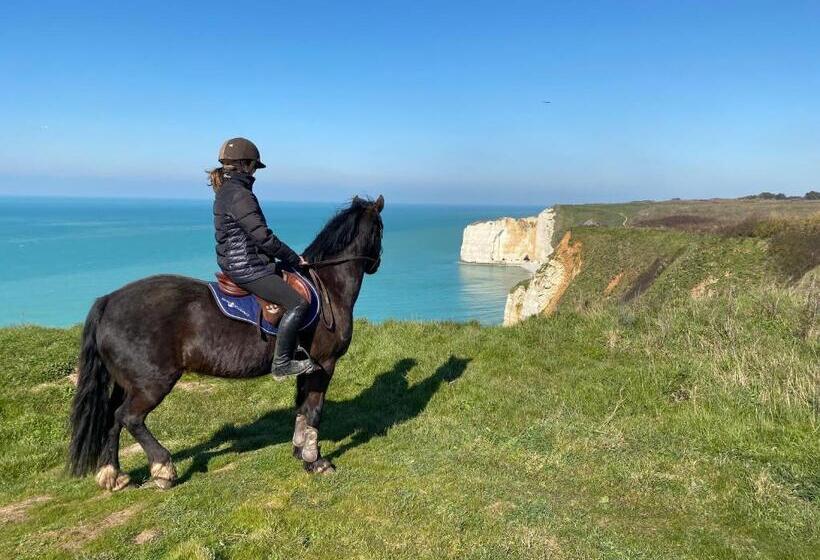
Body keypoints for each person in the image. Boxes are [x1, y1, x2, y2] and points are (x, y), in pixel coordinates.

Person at [210, 137, 318, 379]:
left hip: (235, 262)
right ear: (245, 164)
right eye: (254, 167)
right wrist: (294, 258)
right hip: (248, 267)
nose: (254, 171)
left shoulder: (226, 191)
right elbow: (263, 238)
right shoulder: (241, 195)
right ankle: (282, 364)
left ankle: (293, 342)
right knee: (298, 303)